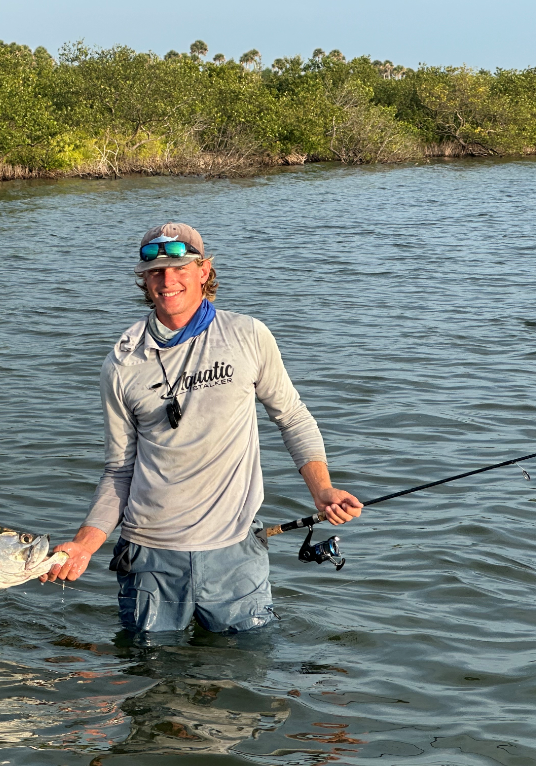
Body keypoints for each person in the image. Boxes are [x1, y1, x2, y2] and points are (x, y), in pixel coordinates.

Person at [42, 223, 362, 634]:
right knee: (149, 682)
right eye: (155, 271)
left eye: (179, 267)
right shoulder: (121, 364)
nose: (167, 280)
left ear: (204, 270)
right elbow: (119, 470)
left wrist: (323, 490)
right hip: (150, 555)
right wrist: (85, 545)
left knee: (247, 677)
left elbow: (293, 417)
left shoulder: (248, 335)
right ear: (143, 279)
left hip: (235, 553)